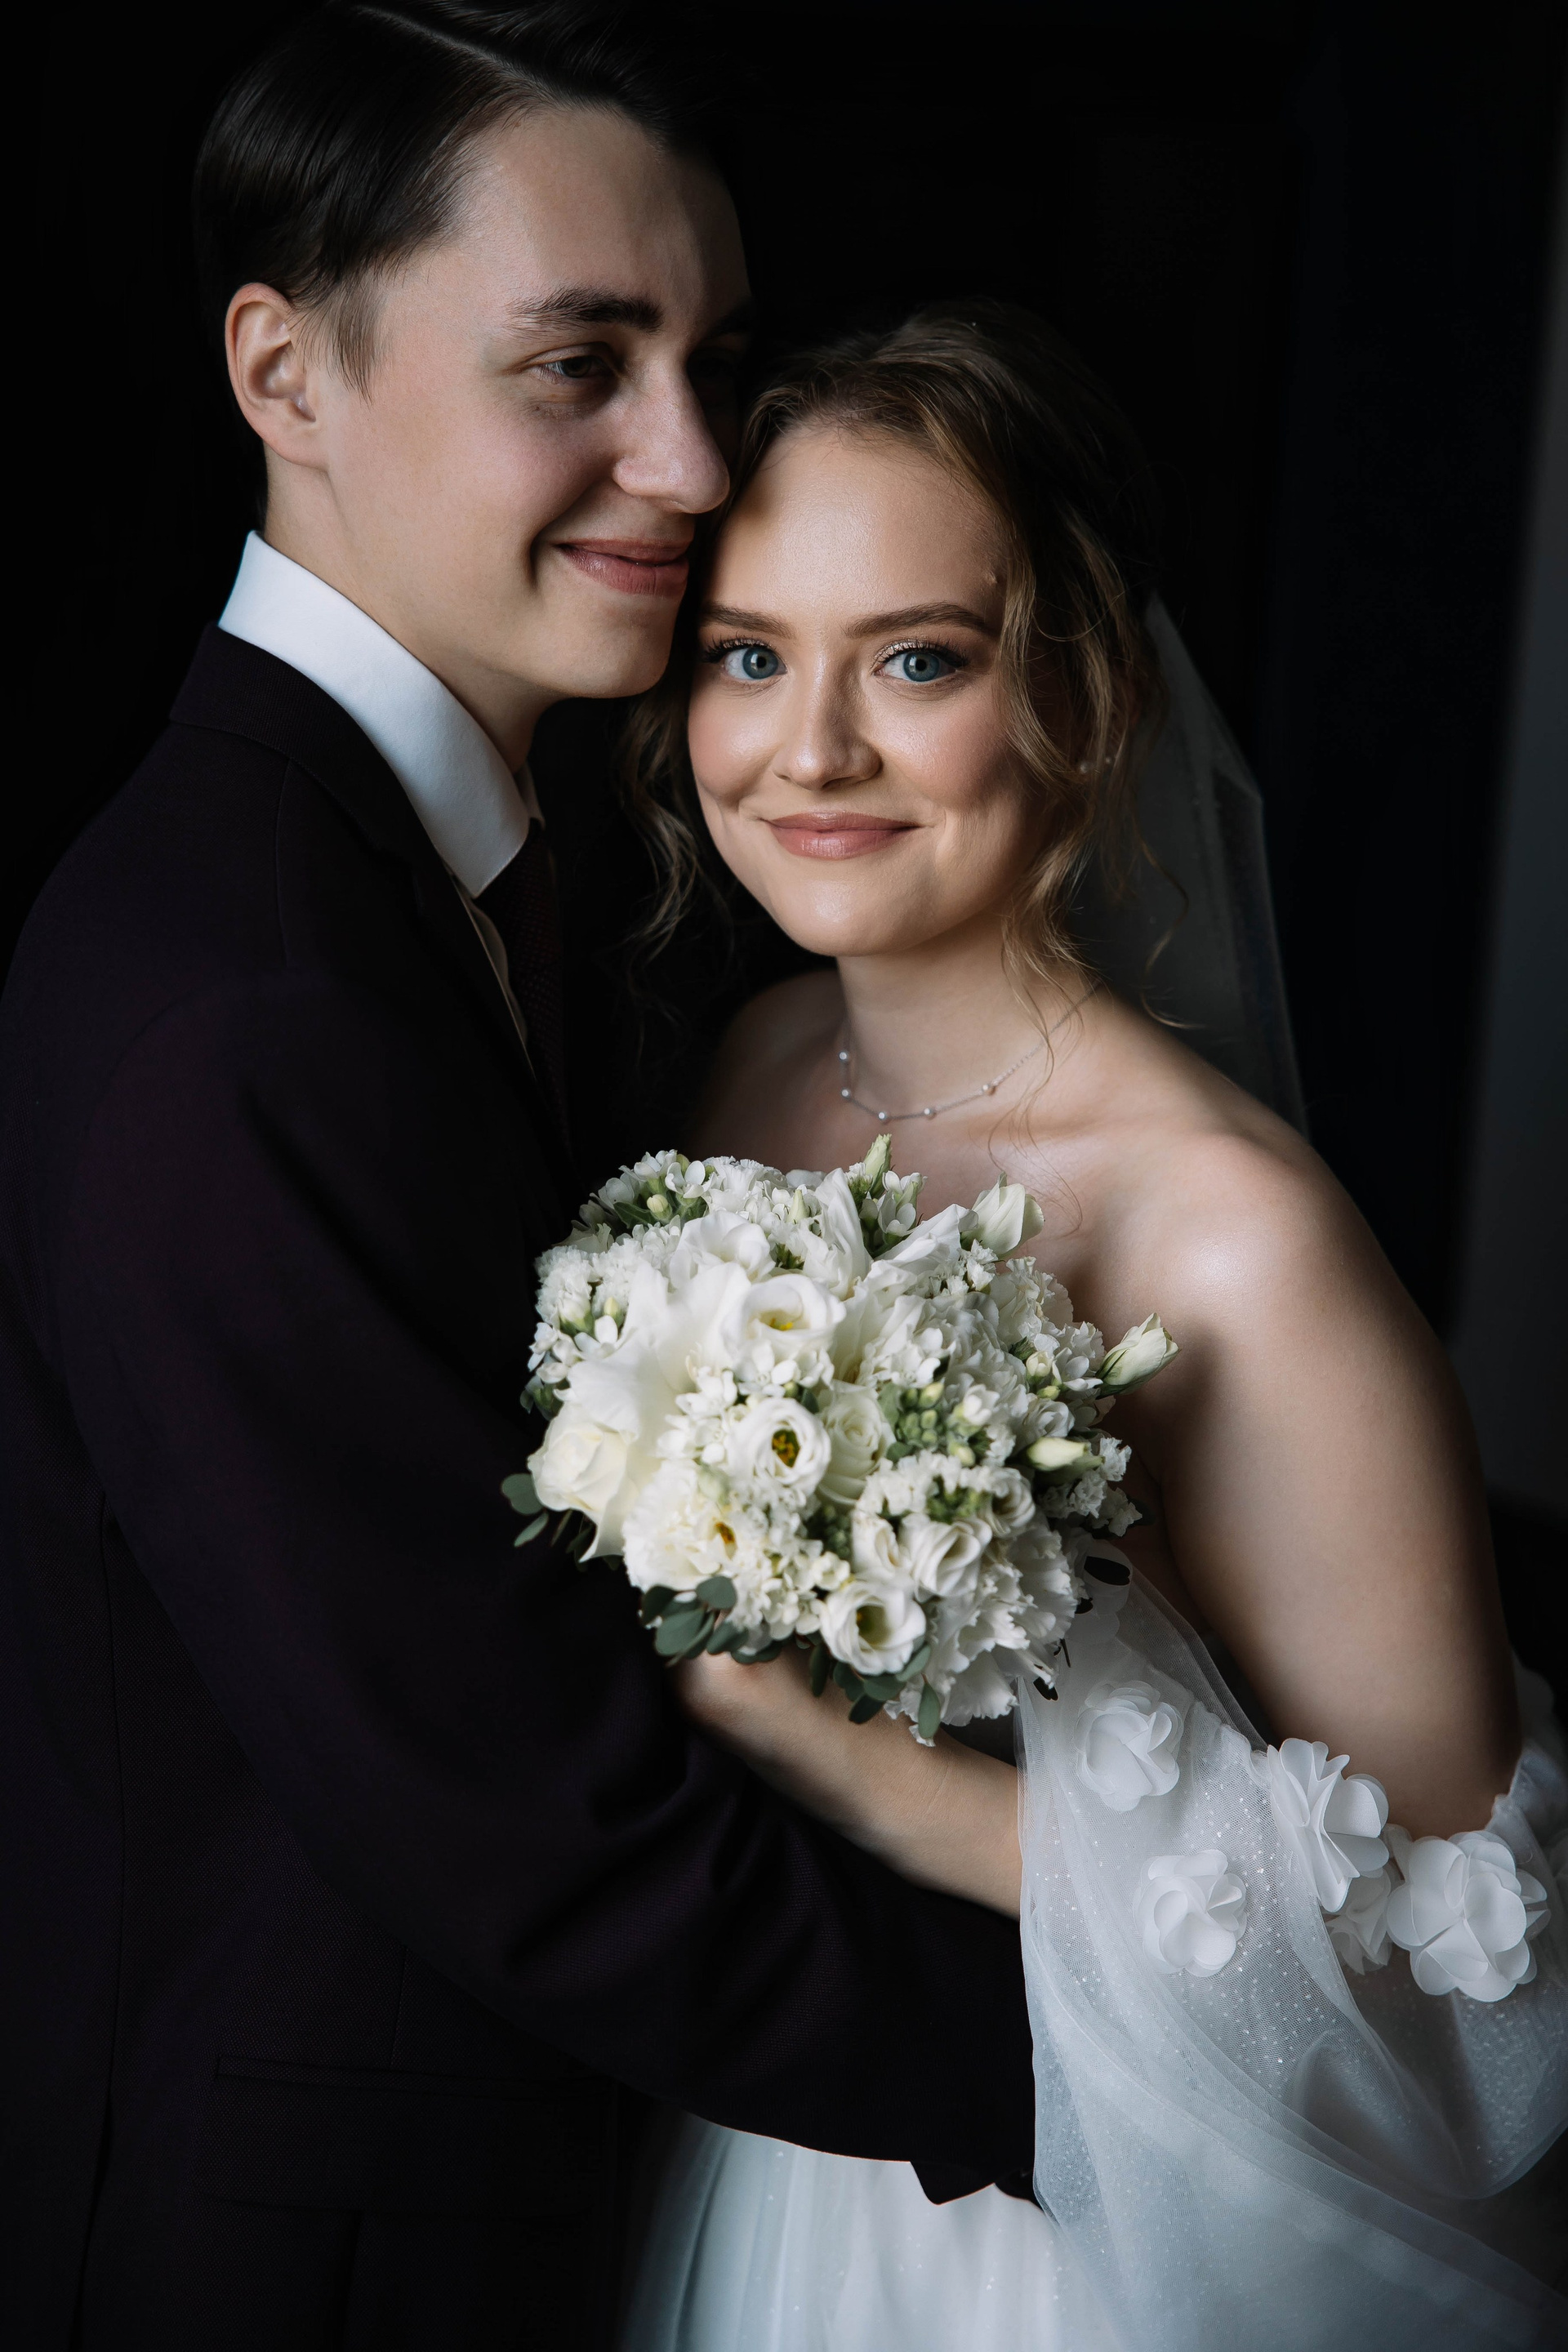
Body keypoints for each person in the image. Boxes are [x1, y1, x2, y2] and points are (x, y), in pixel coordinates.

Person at [0, 17, 1041, 2350]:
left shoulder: (496, 879)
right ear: (285, 372)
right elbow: (536, 1826)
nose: (692, 462)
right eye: (581, 365)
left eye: (714, 363)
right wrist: (1161, 2084)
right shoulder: (240, 992)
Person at [615, 304, 1568, 2349]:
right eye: (750, 655)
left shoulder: (1235, 1246)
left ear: (1084, 691)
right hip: (790, 2139)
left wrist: (875, 1782)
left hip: (1077, 2231)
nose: (811, 750)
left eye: (920, 660)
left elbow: (1469, 1972)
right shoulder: (753, 1074)